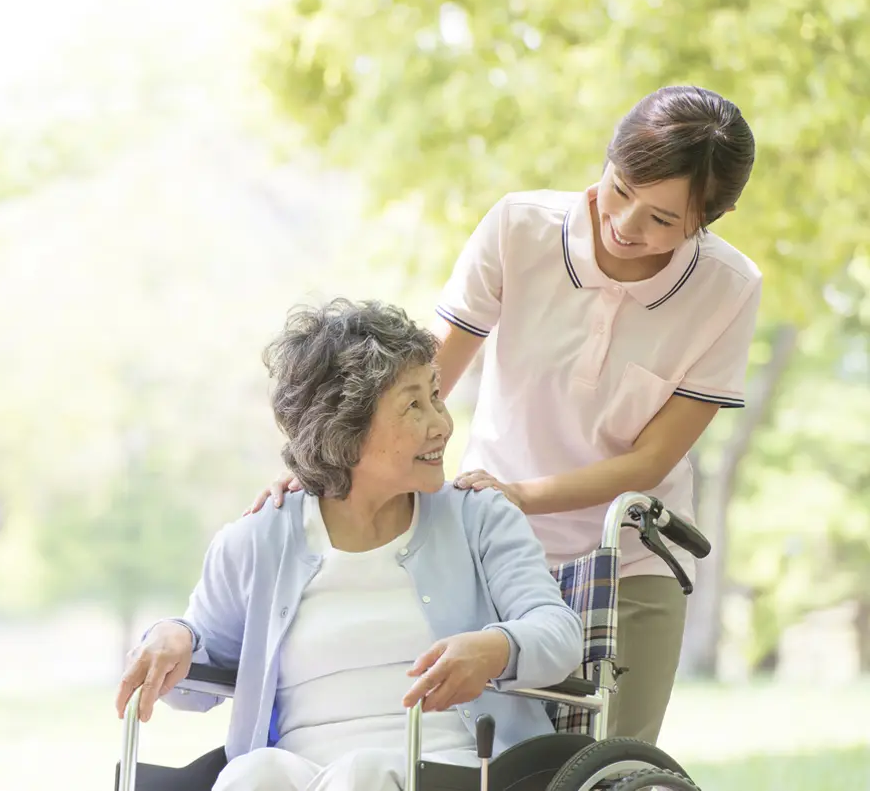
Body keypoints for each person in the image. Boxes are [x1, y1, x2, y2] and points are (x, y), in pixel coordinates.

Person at [246, 85, 761, 745]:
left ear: (707, 220)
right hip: (489, 546)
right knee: (482, 754)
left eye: (663, 219)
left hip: (630, 554)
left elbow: (649, 460)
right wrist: (331, 463)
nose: (627, 222)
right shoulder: (521, 228)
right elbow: (423, 375)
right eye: (621, 186)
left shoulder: (729, 288)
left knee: (615, 764)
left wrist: (521, 494)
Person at [116, 299, 582, 791]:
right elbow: (193, 688)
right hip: (302, 774)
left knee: (364, 773)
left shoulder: (479, 516)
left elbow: (558, 633)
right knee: (252, 772)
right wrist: (173, 635)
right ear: (346, 429)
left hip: (458, 769)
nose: (441, 424)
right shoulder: (258, 538)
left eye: (436, 396)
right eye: (413, 405)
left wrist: (496, 647)